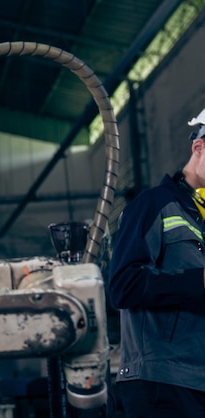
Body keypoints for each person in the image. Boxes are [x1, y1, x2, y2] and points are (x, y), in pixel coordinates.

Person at [108, 107, 205, 417]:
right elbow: (123, 285)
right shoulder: (153, 205)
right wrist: (197, 281)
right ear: (199, 147)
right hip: (161, 382)